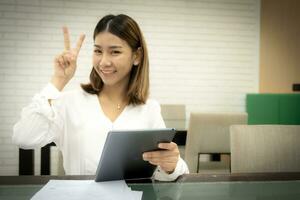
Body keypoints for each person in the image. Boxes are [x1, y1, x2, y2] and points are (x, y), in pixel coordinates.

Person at [12, 14, 189, 181]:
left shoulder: (149, 109)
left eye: (114, 52)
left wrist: (171, 166)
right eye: (98, 51)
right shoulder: (70, 102)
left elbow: (163, 171)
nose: (104, 62)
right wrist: (58, 80)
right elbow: (23, 137)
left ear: (137, 56)